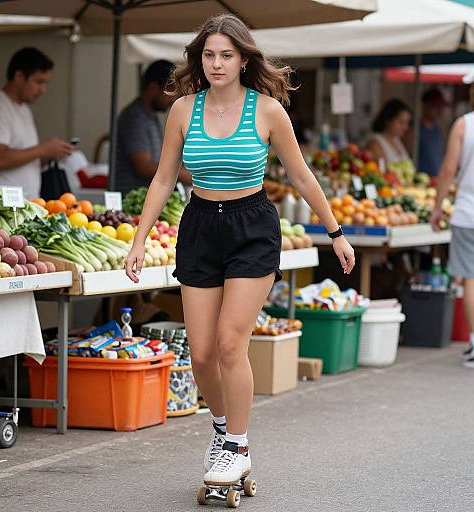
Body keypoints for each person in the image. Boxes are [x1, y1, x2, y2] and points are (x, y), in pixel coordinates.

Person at [124, 14, 355, 489]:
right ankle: (222, 431)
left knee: (231, 343)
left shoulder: (268, 110)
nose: (216, 63)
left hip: (252, 227)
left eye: (227, 54)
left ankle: (238, 445)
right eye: (209, 54)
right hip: (199, 227)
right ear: (199, 58)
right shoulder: (183, 109)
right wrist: (139, 238)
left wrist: (335, 231)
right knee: (204, 355)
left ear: (244, 58)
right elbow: (164, 178)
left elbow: (302, 175)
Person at [0, 47, 73, 198]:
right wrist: (43, 149)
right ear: (19, 76)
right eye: (39, 82)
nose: (43, 90)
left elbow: (24, 158)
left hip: (24, 202)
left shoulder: (23, 108)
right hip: (2, 204)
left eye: (46, 83)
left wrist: (50, 154)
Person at [431, 81, 474, 368]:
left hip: (468, 212)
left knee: (471, 278)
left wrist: (437, 207)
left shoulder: (463, 125)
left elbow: (448, 169)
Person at [116, 59, 192, 196]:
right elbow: (143, 167)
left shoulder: (151, 116)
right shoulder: (134, 117)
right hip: (132, 198)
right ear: (153, 88)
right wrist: (182, 174)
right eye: (170, 91)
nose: (172, 98)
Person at [366, 99, 413, 166]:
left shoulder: (397, 140)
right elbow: (380, 170)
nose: (405, 127)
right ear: (388, 120)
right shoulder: (375, 143)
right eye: (401, 122)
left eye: (407, 123)